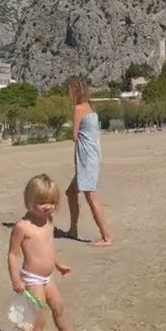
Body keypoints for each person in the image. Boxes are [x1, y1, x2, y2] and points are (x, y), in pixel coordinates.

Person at [8, 174, 92, 331]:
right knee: (40, 318)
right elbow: (12, 254)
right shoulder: (22, 227)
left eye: (52, 202)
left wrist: (59, 263)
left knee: (58, 306)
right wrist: (15, 279)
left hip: (48, 277)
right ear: (29, 201)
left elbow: (48, 247)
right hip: (32, 279)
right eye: (42, 202)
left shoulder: (48, 221)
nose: (48, 207)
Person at [63, 76, 113, 246]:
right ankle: (73, 229)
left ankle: (106, 237)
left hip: (86, 160)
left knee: (91, 198)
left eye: (69, 89)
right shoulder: (91, 107)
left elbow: (74, 136)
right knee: (71, 193)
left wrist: (76, 162)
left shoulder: (78, 108)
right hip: (92, 157)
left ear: (74, 90)